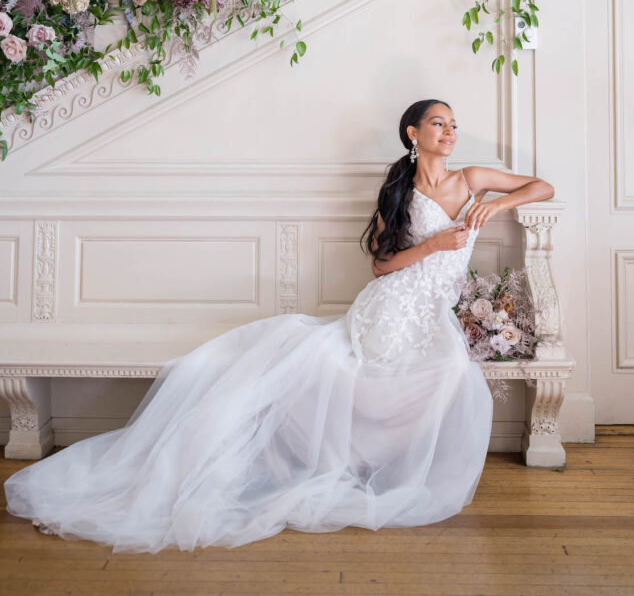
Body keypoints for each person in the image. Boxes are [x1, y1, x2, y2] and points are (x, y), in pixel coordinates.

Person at [4, 98, 554, 553]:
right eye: (439, 123)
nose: (451, 132)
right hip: (392, 303)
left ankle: (378, 468)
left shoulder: (473, 180)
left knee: (447, 376)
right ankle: (341, 466)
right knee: (350, 372)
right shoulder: (398, 191)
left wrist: (493, 209)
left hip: (434, 309)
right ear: (413, 132)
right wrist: (434, 243)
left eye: (454, 125)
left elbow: (541, 187)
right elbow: (382, 266)